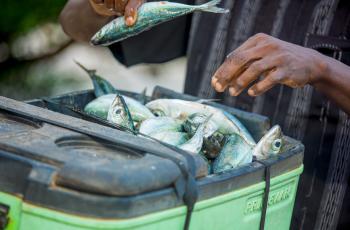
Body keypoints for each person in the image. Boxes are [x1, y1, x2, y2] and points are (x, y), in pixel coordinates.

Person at [60, 0, 350, 229]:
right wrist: (100, 6)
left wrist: (321, 68)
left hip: (312, 213)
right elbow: (73, 23)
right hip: (200, 211)